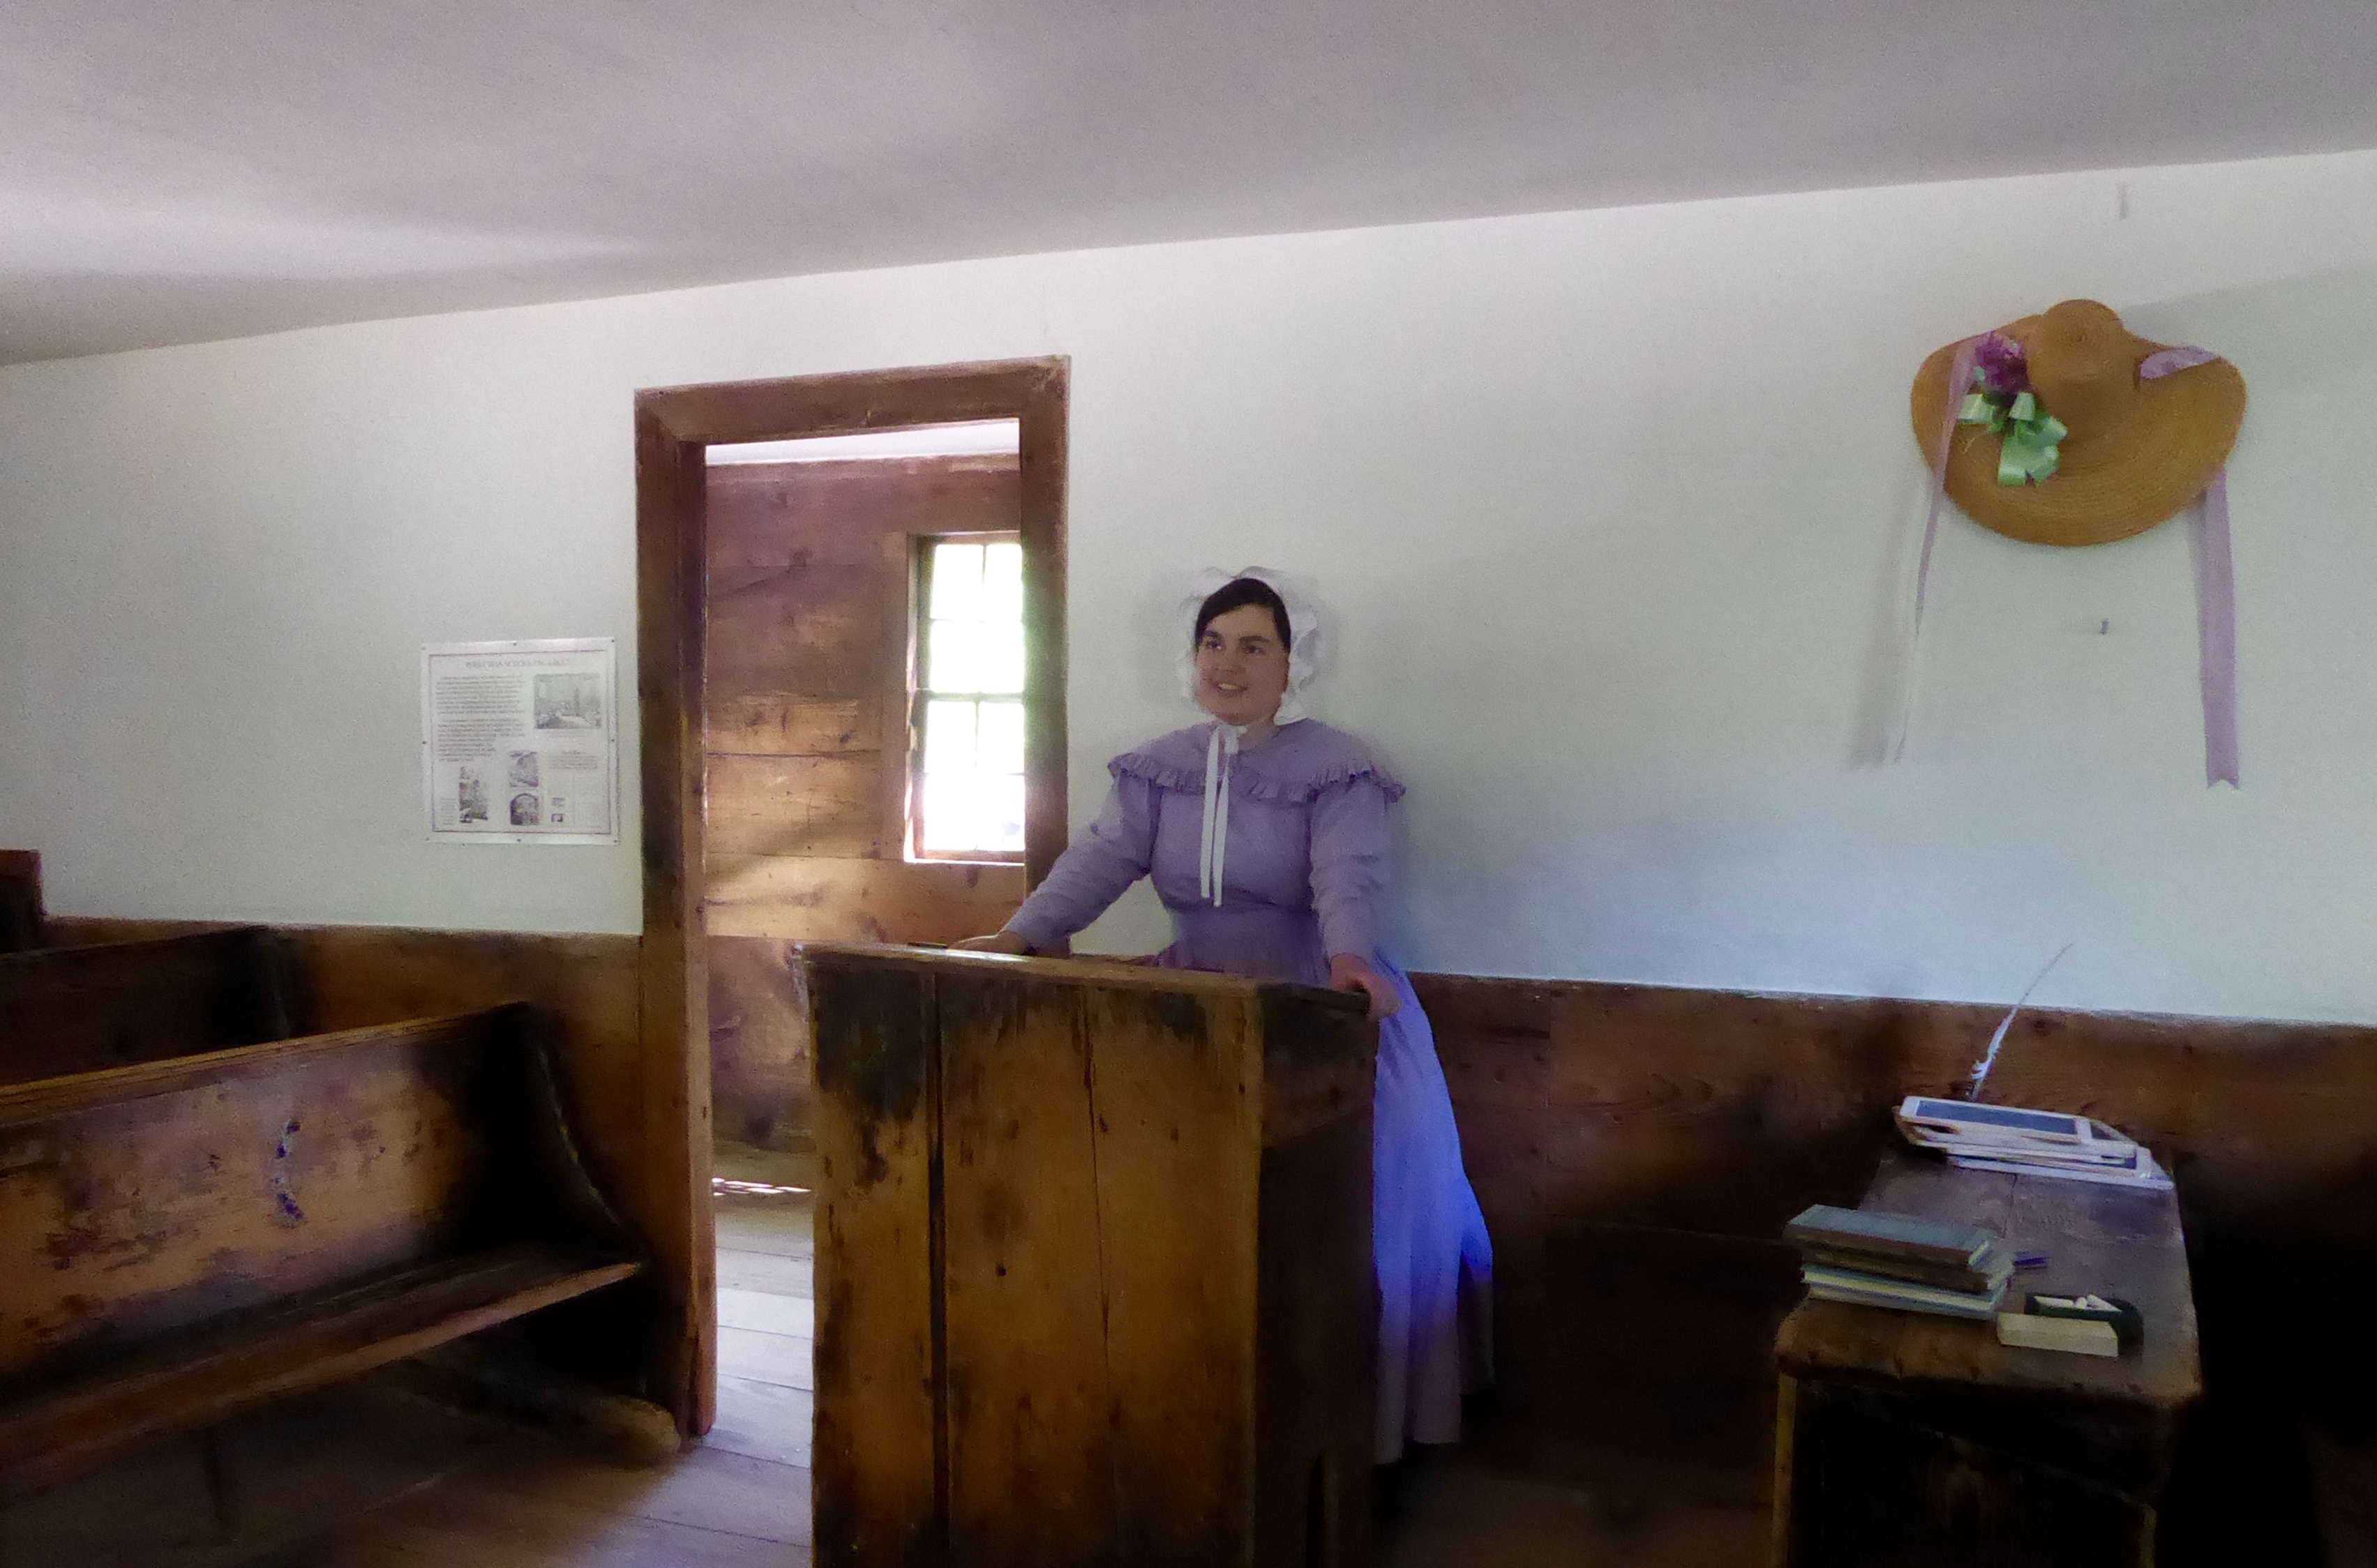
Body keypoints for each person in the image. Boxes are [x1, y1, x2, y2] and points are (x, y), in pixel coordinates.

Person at [955, 571, 1493, 1462]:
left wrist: (1348, 962)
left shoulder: (1337, 766)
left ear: (1290, 663)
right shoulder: (1157, 767)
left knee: (1366, 1199)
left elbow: (1347, 874)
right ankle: (1192, 1415)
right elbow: (1099, 860)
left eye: (1252, 645)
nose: (1227, 663)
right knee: (1181, 1204)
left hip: (1319, 998)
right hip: (1196, 1005)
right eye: (1212, 643)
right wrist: (1021, 935)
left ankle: (1350, 1429)